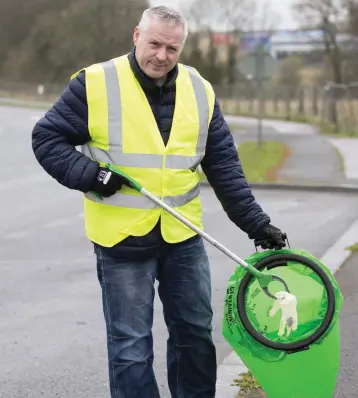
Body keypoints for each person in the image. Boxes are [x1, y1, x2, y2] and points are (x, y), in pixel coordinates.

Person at [31, 5, 287, 398]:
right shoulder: (96, 83)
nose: (162, 56)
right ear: (137, 36)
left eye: (172, 48)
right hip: (121, 239)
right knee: (131, 347)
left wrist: (257, 224)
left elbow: (224, 165)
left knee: (195, 336)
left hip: (182, 237)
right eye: (154, 44)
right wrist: (94, 175)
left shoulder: (200, 90)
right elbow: (46, 139)